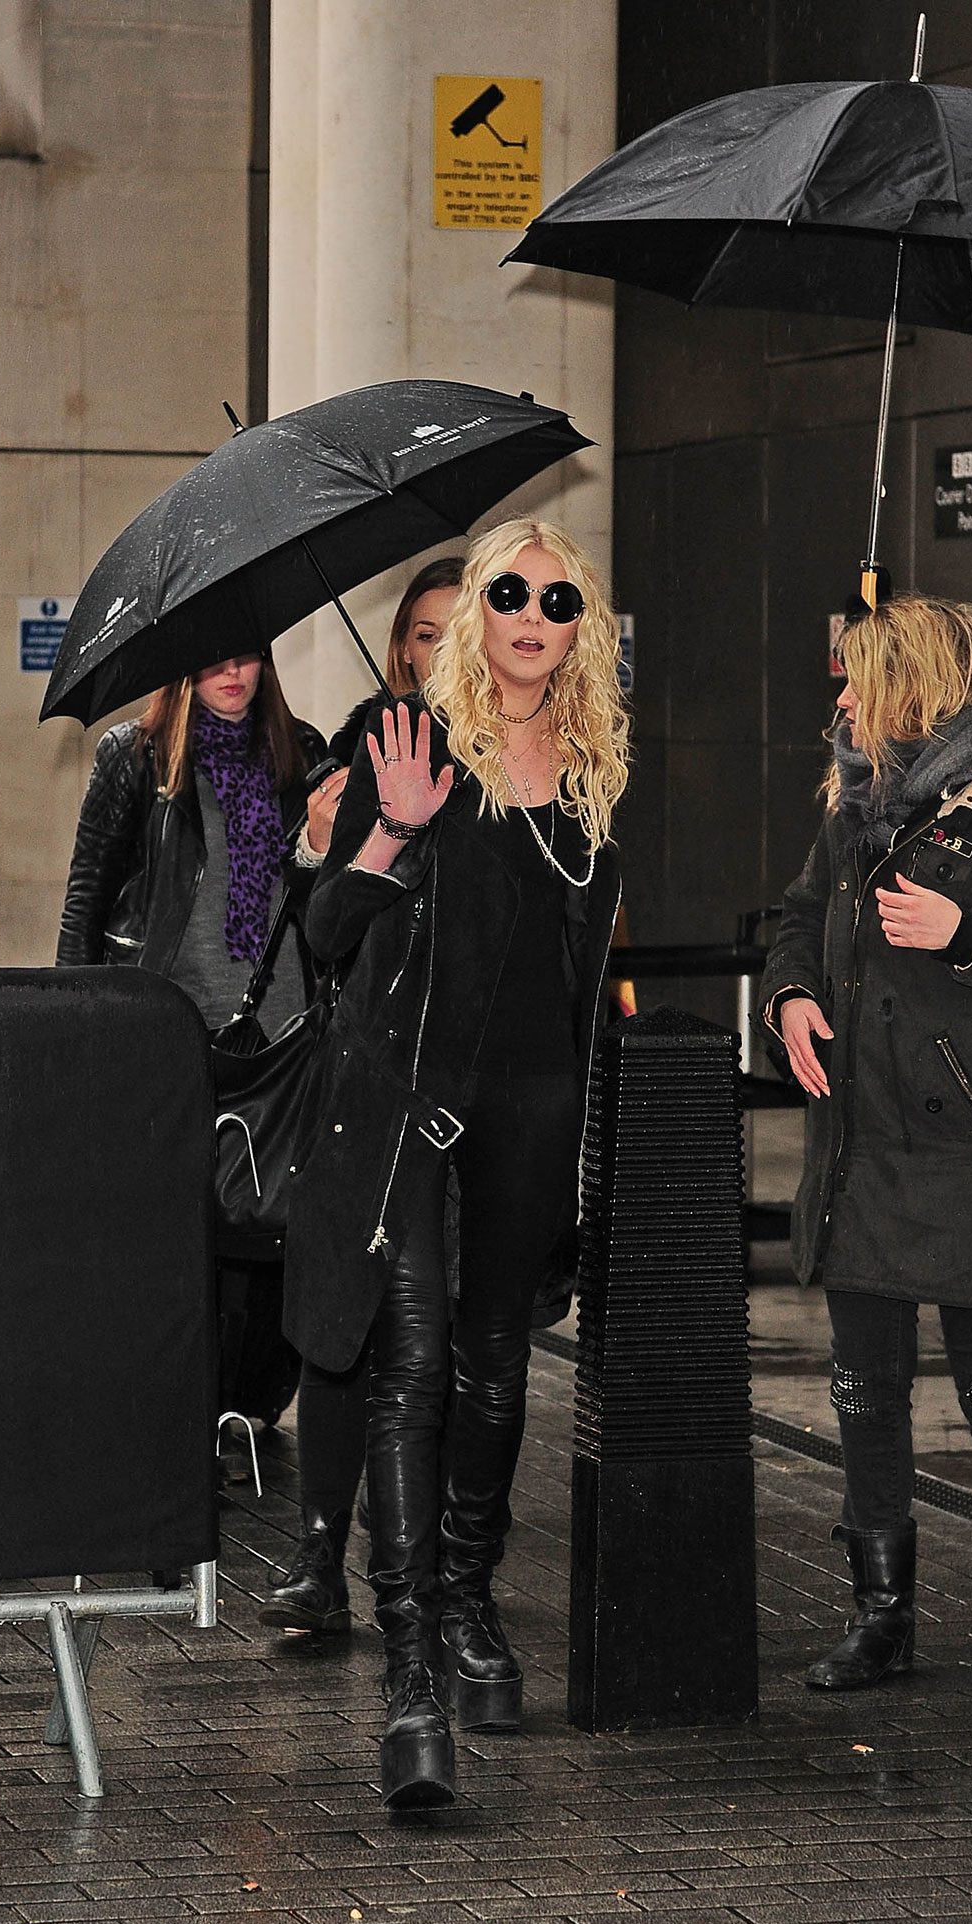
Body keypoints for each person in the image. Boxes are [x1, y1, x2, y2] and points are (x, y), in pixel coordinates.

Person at [284, 517, 628, 1807]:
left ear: (576, 622)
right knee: (414, 1360)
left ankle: (471, 1594)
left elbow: (583, 958)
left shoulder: (597, 763)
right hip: (410, 1096)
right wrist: (387, 835)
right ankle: (412, 1665)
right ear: (473, 614)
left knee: (494, 1364)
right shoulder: (406, 744)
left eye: (555, 596)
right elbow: (326, 931)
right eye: (508, 593)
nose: (532, 614)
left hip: (535, 1103)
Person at [759, 595, 972, 1694]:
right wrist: (793, 1000)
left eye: (860, 680)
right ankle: (881, 1610)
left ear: (915, 689)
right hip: (864, 1144)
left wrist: (969, 937)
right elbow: (792, 923)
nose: (844, 698)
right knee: (863, 1387)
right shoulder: (852, 810)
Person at [57, 649, 328, 1470]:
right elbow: (88, 900)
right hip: (170, 1027)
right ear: (179, 666)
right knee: (181, 1219)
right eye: (212, 657)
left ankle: (253, 1399)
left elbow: (325, 888)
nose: (233, 673)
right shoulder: (132, 759)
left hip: (282, 1028)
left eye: (248, 655)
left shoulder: (302, 751)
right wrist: (78, 1027)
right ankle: (186, 1397)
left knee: (272, 1210)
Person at [260, 555, 464, 1635]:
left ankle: (434, 1566)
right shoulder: (364, 752)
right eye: (421, 634)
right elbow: (324, 927)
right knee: (342, 1328)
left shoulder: (520, 765)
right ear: (400, 648)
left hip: (461, 1100)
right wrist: (344, 833)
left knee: (442, 1347)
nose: (436, 651)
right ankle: (319, 1557)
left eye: (454, 629)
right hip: (362, 1086)